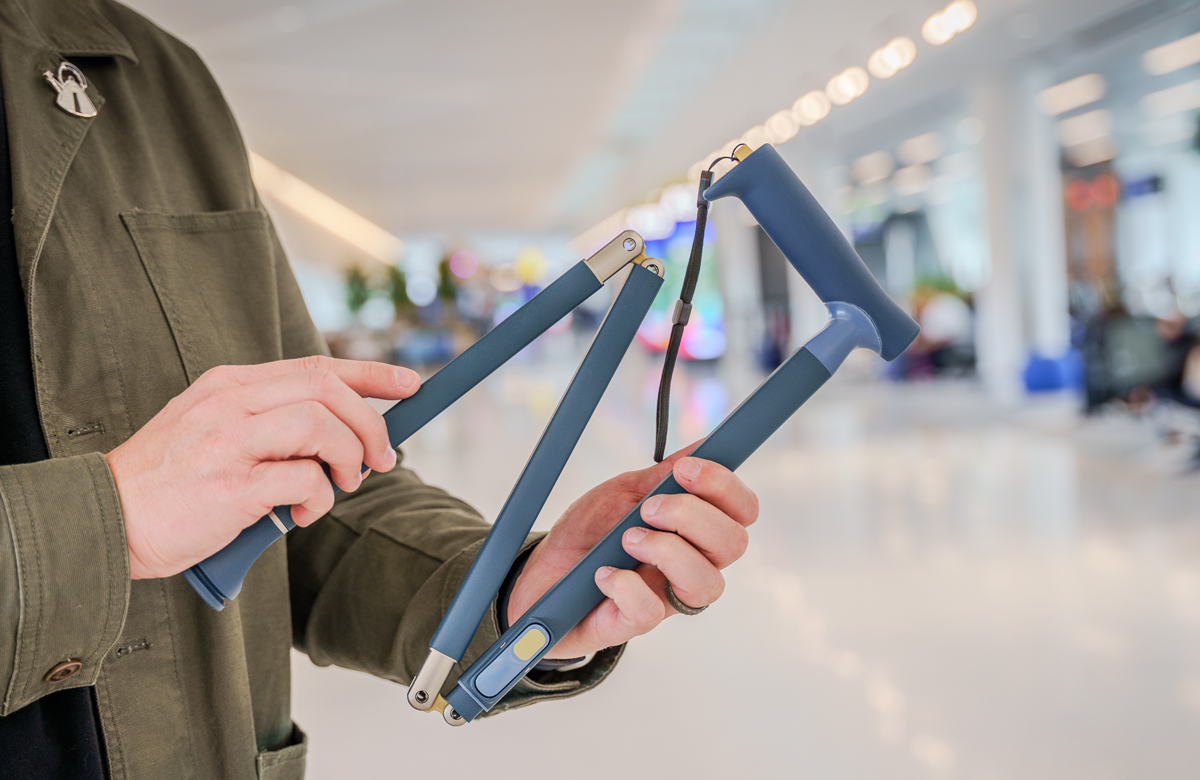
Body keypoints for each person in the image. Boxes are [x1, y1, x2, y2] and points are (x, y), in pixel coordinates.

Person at [0, 2, 759, 778]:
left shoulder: (152, 83)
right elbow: (154, 505)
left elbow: (312, 493)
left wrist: (498, 592)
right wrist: (106, 524)